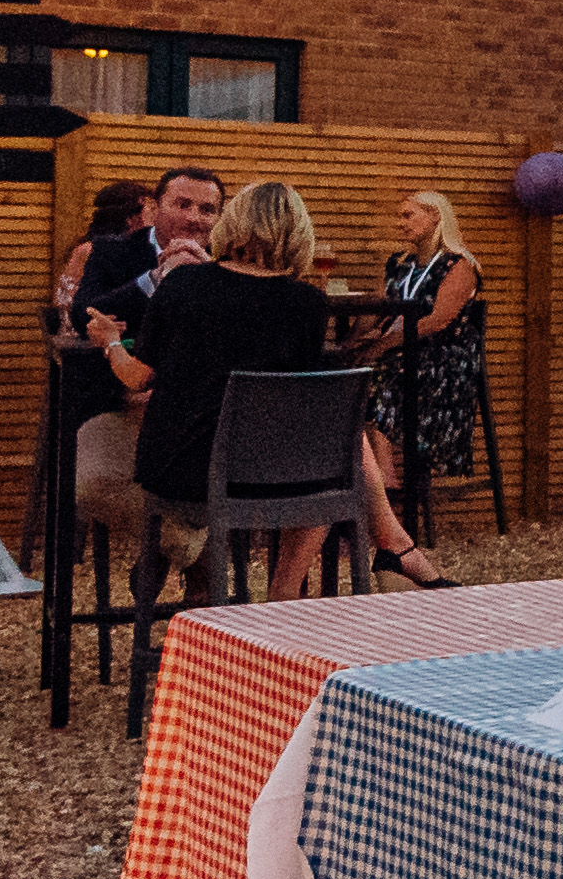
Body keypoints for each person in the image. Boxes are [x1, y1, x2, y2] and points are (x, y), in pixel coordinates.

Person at [84, 179, 349, 595]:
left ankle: (184, 545)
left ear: (232, 223)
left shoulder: (185, 285)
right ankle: (281, 595)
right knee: (340, 462)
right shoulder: (309, 304)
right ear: (299, 232)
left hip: (184, 473)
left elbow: (136, 377)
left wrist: (110, 342)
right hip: (269, 474)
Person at [59, 163, 223, 560]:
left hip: (201, 414)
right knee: (94, 482)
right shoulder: (114, 252)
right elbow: (85, 315)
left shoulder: (228, 262)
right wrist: (156, 279)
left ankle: (175, 564)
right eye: (182, 204)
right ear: (154, 206)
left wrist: (207, 285)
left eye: (207, 210)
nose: (193, 218)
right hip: (120, 401)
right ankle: (193, 555)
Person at [368, 186, 490, 558]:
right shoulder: (398, 263)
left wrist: (381, 345)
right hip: (401, 354)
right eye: (399, 216)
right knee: (357, 382)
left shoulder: (460, 264)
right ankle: (383, 496)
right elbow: (382, 312)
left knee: (376, 383)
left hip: (444, 360)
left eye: (408, 215)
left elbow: (437, 321)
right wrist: (363, 340)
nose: (400, 223)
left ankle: (386, 496)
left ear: (436, 218)